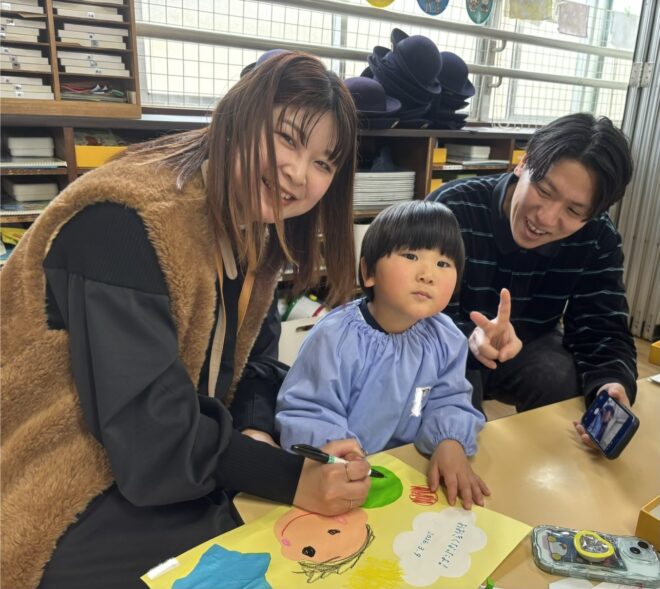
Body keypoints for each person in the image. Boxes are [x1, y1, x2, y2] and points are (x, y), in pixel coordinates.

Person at [0, 52, 373, 589]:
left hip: (162, 451)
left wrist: (255, 432)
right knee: (242, 553)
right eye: (287, 139)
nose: (298, 173)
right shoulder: (124, 222)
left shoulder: (253, 227)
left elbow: (256, 360)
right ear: (238, 114)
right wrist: (291, 478)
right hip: (57, 467)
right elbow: (149, 431)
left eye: (323, 163)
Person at [426, 113, 637, 444]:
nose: (546, 218)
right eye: (544, 190)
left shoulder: (598, 237)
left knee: (560, 378)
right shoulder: (451, 209)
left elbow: (602, 326)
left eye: (574, 211)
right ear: (523, 163)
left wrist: (612, 382)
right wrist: (468, 338)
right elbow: (413, 315)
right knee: (457, 405)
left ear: (594, 214)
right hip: (446, 344)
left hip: (528, 347)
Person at [276, 201, 489, 509]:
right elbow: (308, 410)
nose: (428, 274)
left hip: (411, 471)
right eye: (411, 256)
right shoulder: (335, 337)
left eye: (443, 263)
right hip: (341, 479)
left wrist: (450, 441)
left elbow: (448, 399)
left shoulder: (447, 338)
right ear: (368, 271)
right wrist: (341, 453)